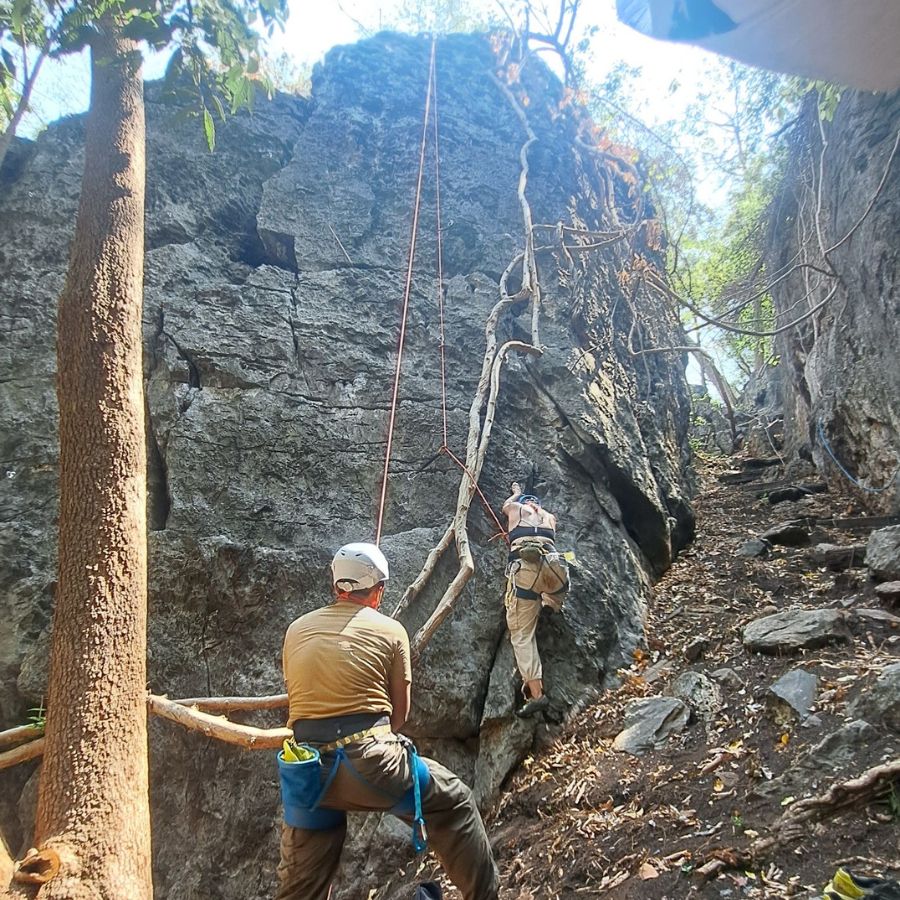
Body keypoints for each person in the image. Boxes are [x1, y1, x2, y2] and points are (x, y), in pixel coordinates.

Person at [277, 542, 500, 900]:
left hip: (308, 775)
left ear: (336, 586)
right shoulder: (392, 630)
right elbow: (399, 715)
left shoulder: (295, 630)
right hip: (373, 764)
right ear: (378, 591)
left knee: (303, 885)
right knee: (455, 800)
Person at [502, 482, 567, 717]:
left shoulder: (518, 509)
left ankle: (537, 695)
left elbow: (506, 506)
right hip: (556, 569)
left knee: (521, 634)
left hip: (527, 571)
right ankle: (552, 604)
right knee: (552, 589)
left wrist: (516, 494)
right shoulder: (550, 517)